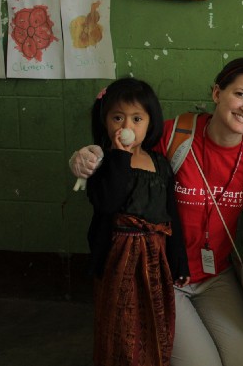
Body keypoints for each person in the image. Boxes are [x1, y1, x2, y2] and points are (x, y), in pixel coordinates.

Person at [70, 58, 243, 366]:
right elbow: (124, 145)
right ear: (217, 93)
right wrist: (85, 155)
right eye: (240, 94)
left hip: (216, 277)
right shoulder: (175, 135)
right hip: (165, 275)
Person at [84, 77, 190, 366]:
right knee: (120, 326)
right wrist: (119, 156)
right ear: (105, 121)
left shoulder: (160, 165)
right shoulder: (101, 162)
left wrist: (179, 260)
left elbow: (172, 216)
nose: (126, 127)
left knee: (154, 321)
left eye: (136, 118)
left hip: (156, 257)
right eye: (117, 117)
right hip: (118, 258)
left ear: (149, 122)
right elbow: (107, 203)